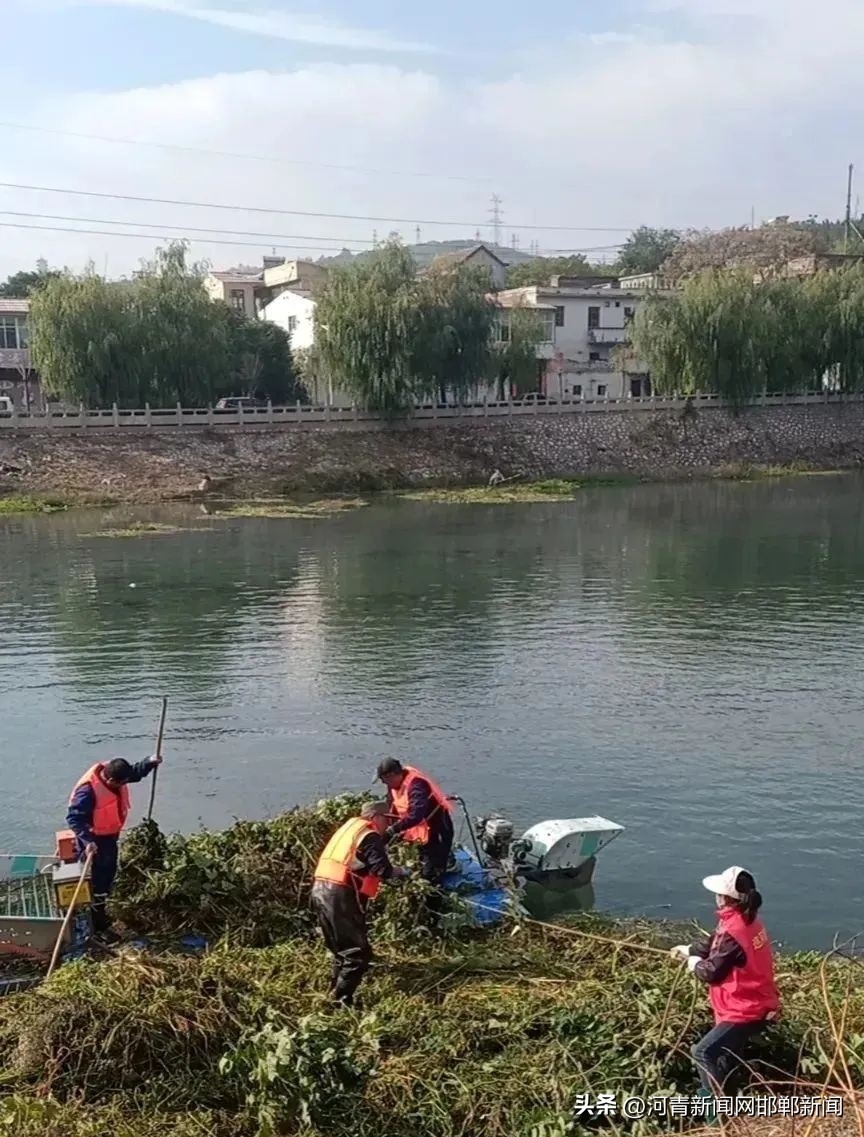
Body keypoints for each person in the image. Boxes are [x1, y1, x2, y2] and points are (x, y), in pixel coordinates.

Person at [671, 866, 781, 1105]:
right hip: (757, 1001)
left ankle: (715, 1114)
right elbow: (716, 943)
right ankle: (729, 1105)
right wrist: (690, 950)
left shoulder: (734, 929)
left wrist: (694, 965)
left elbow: (711, 972)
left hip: (745, 1009)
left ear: (725, 897)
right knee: (726, 1056)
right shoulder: (748, 921)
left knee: (703, 1052)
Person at [311, 801, 408, 1007]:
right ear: (375, 818)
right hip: (339, 895)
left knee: (340, 950)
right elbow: (383, 870)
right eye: (387, 820)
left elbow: (358, 863)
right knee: (358, 953)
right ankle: (341, 1001)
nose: (388, 826)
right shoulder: (369, 835)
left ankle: (334, 992)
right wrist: (401, 872)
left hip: (319, 891)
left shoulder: (348, 830)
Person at [66, 755, 162, 944]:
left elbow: (134, 773)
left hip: (109, 838)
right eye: (121, 783)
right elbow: (74, 819)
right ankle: (97, 927)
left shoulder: (115, 773)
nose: (125, 784)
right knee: (95, 884)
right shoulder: (87, 791)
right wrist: (87, 841)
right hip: (94, 842)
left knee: (107, 877)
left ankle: (100, 918)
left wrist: (149, 762)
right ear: (110, 780)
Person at [376, 758, 454, 929]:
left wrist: (391, 831)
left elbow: (415, 815)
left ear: (393, 775)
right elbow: (393, 807)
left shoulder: (417, 785)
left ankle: (433, 920)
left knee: (432, 875)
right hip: (419, 834)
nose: (384, 784)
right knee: (418, 866)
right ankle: (420, 908)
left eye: (384, 780)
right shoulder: (394, 785)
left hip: (437, 832)